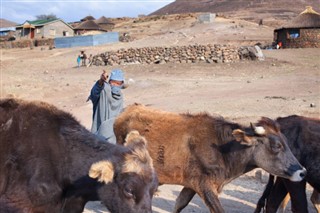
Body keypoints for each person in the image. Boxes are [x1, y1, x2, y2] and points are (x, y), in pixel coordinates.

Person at [88, 69, 126, 143]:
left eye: (118, 83)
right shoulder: (102, 91)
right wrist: (101, 81)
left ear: (121, 84)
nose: (115, 85)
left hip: (115, 139)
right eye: (113, 82)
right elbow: (94, 93)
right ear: (109, 82)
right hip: (99, 137)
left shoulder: (120, 98)